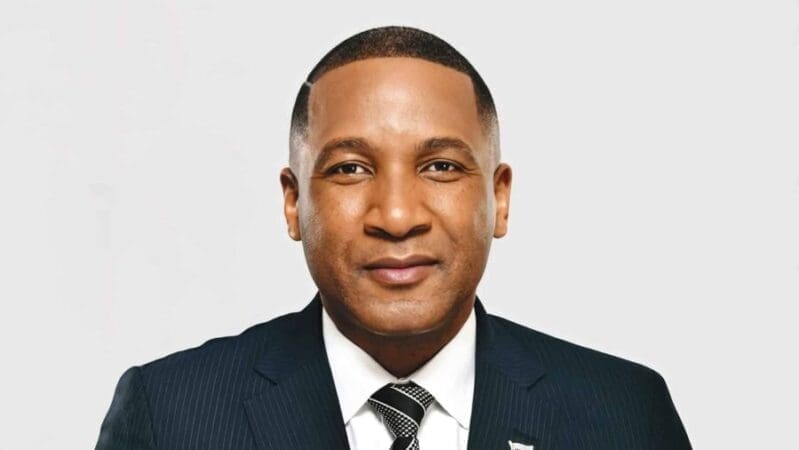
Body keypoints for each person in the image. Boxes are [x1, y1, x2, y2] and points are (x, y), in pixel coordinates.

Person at [96, 26, 691, 450]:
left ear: (500, 198)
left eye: (442, 167)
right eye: (350, 168)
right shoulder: (170, 416)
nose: (398, 215)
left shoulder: (623, 415)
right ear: (294, 203)